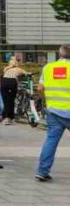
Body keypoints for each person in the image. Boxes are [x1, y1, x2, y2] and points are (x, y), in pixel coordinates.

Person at [35, 45, 70, 181]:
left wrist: (46, 100)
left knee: (51, 141)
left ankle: (42, 171)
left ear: (59, 55)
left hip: (54, 111)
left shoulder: (48, 68)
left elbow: (40, 88)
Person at [1, 57, 27, 125]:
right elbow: (27, 73)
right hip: (12, 82)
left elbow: (4, 73)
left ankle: (4, 117)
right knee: (11, 100)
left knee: (5, 100)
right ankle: (10, 118)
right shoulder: (19, 69)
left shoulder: (6, 68)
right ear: (17, 63)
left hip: (3, 81)